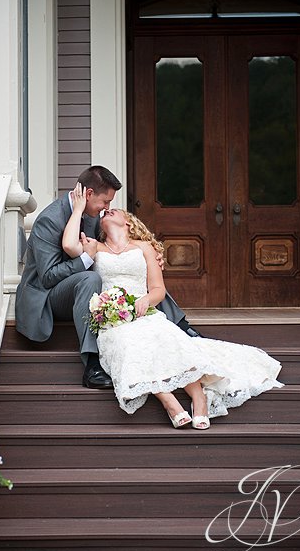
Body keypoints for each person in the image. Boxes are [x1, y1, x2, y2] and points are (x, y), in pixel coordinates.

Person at [65, 198, 283, 428]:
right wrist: (78, 209)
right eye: (106, 211)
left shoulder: (144, 248)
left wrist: (146, 300)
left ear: (128, 222)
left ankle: (199, 398)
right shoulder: (95, 247)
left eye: (115, 210)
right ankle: (169, 401)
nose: (108, 210)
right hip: (115, 321)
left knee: (166, 340)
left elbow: (158, 290)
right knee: (131, 346)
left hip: (145, 313)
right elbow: (70, 246)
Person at [14, 166, 199, 390]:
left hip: (78, 288)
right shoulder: (49, 220)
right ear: (89, 194)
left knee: (133, 271)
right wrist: (84, 261)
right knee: (89, 279)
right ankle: (92, 364)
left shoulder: (92, 216)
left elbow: (115, 253)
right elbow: (48, 277)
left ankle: (180, 324)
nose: (107, 208)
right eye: (105, 201)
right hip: (46, 296)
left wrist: (147, 257)